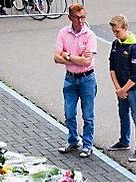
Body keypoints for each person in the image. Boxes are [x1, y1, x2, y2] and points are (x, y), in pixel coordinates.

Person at [55, 4, 97, 159]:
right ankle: (73, 140)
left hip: (87, 79)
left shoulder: (90, 35)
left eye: (83, 17)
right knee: (69, 113)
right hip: (70, 79)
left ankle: (87, 145)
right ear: (70, 18)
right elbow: (56, 57)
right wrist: (75, 58)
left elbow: (86, 62)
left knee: (88, 115)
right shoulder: (63, 33)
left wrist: (67, 56)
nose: (80, 20)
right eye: (77, 17)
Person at [107, 15, 136, 163]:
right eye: (113, 31)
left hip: (132, 88)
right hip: (121, 88)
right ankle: (124, 141)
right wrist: (118, 88)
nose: (115, 34)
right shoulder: (115, 44)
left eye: (117, 31)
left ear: (125, 28)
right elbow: (112, 67)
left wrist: (124, 89)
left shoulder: (134, 47)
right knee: (123, 114)